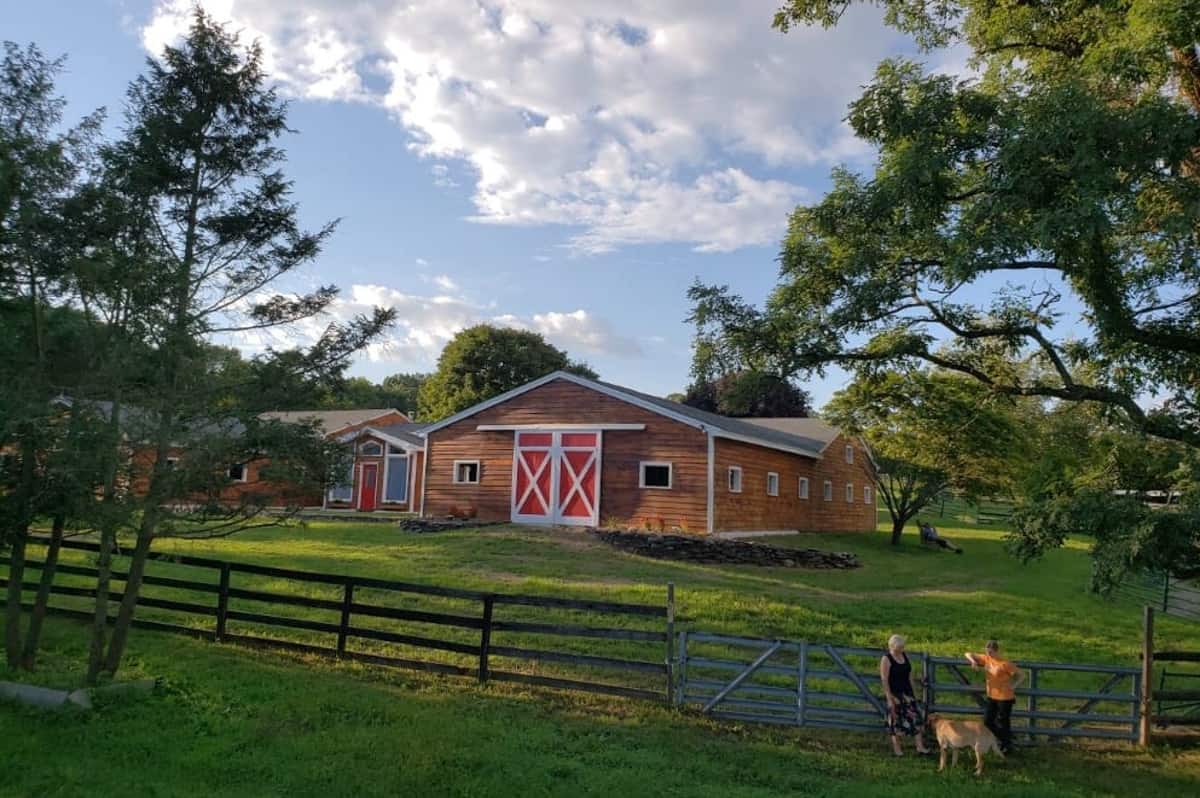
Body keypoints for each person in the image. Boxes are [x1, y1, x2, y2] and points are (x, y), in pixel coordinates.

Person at [965, 640, 1024, 754]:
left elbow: (1021, 675)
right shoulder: (986, 659)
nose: (989, 654)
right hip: (991, 696)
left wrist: (1014, 686)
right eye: (987, 652)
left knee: (1003, 722)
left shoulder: (1005, 663)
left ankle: (1006, 745)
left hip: (1005, 698)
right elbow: (968, 653)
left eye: (991, 652)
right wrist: (973, 662)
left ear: (997, 651)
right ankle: (1007, 742)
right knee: (988, 721)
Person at [880, 634, 931, 757]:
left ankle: (920, 747)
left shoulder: (904, 656)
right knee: (896, 722)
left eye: (903, 647)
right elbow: (884, 679)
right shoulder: (886, 659)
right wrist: (889, 698)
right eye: (900, 647)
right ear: (893, 646)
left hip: (907, 693)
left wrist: (914, 692)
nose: (902, 649)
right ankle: (897, 750)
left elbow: (909, 675)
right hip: (895, 694)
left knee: (916, 719)